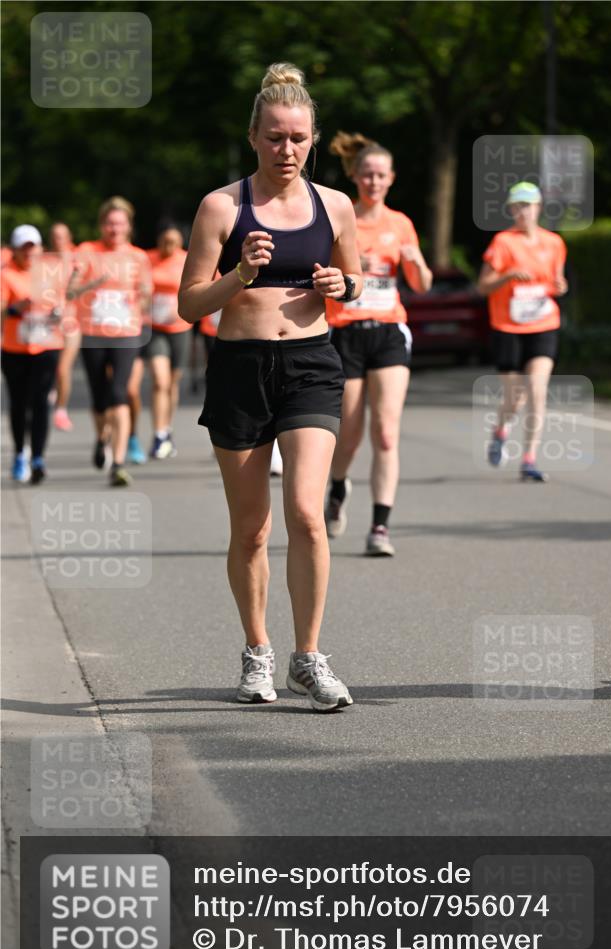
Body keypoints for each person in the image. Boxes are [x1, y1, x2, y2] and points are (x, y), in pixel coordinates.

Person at [178, 62, 362, 711]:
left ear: (313, 140)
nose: (287, 149)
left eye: (299, 138)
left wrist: (345, 288)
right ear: (254, 135)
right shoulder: (222, 207)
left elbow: (354, 279)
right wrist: (240, 274)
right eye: (276, 137)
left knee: (307, 516)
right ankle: (256, 653)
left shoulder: (335, 205)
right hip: (240, 369)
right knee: (251, 529)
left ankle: (308, 658)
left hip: (311, 366)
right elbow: (189, 305)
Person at [324, 132, 433, 556]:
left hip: (388, 331)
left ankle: (380, 527)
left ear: (391, 180)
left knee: (386, 433)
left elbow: (422, 285)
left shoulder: (401, 223)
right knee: (348, 435)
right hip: (347, 332)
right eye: (367, 174)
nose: (373, 182)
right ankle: (337, 486)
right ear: (356, 176)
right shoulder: (340, 218)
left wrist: (415, 261)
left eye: (381, 176)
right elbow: (322, 281)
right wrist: (354, 270)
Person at [477, 181, 568, 482]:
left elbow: (558, 281)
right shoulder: (503, 242)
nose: (522, 212)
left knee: (537, 391)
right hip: (508, 327)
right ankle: (501, 430)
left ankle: (529, 459)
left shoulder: (554, 243)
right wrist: (507, 276)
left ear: (538, 208)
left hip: (543, 324)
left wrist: (560, 287)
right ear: (511, 210)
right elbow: (482, 286)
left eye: (527, 206)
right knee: (515, 397)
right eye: (517, 207)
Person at [67, 197, 152, 487]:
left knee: (119, 393)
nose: (114, 228)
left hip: (126, 334)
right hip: (92, 333)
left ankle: (117, 462)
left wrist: (139, 297)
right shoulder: (87, 251)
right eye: (109, 223)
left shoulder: (138, 257)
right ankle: (101, 436)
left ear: (128, 225)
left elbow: (146, 294)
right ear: (102, 225)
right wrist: (94, 283)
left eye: (120, 223)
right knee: (100, 398)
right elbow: (70, 291)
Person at [1, 225, 64, 483]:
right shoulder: (6, 275)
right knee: (19, 403)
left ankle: (38, 457)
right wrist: (17, 307)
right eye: (24, 248)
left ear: (40, 248)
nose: (29, 253)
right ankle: (20, 453)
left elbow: (62, 304)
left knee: (40, 402)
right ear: (14, 249)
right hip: (15, 348)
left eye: (33, 247)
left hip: (47, 345)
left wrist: (57, 312)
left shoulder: (51, 272)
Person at [127, 226, 191, 461]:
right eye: (165, 240)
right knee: (160, 380)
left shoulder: (186, 260)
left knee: (172, 384)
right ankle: (158, 434)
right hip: (154, 329)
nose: (169, 246)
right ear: (159, 239)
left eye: (173, 241)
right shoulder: (148, 259)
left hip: (180, 328)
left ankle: (166, 428)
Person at [49, 222, 79, 432]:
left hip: (71, 322)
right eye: (54, 236)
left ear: (69, 237)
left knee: (63, 368)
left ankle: (61, 410)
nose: (57, 240)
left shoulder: (78, 260)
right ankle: (51, 392)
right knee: (49, 367)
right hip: (48, 324)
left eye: (61, 236)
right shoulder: (43, 261)